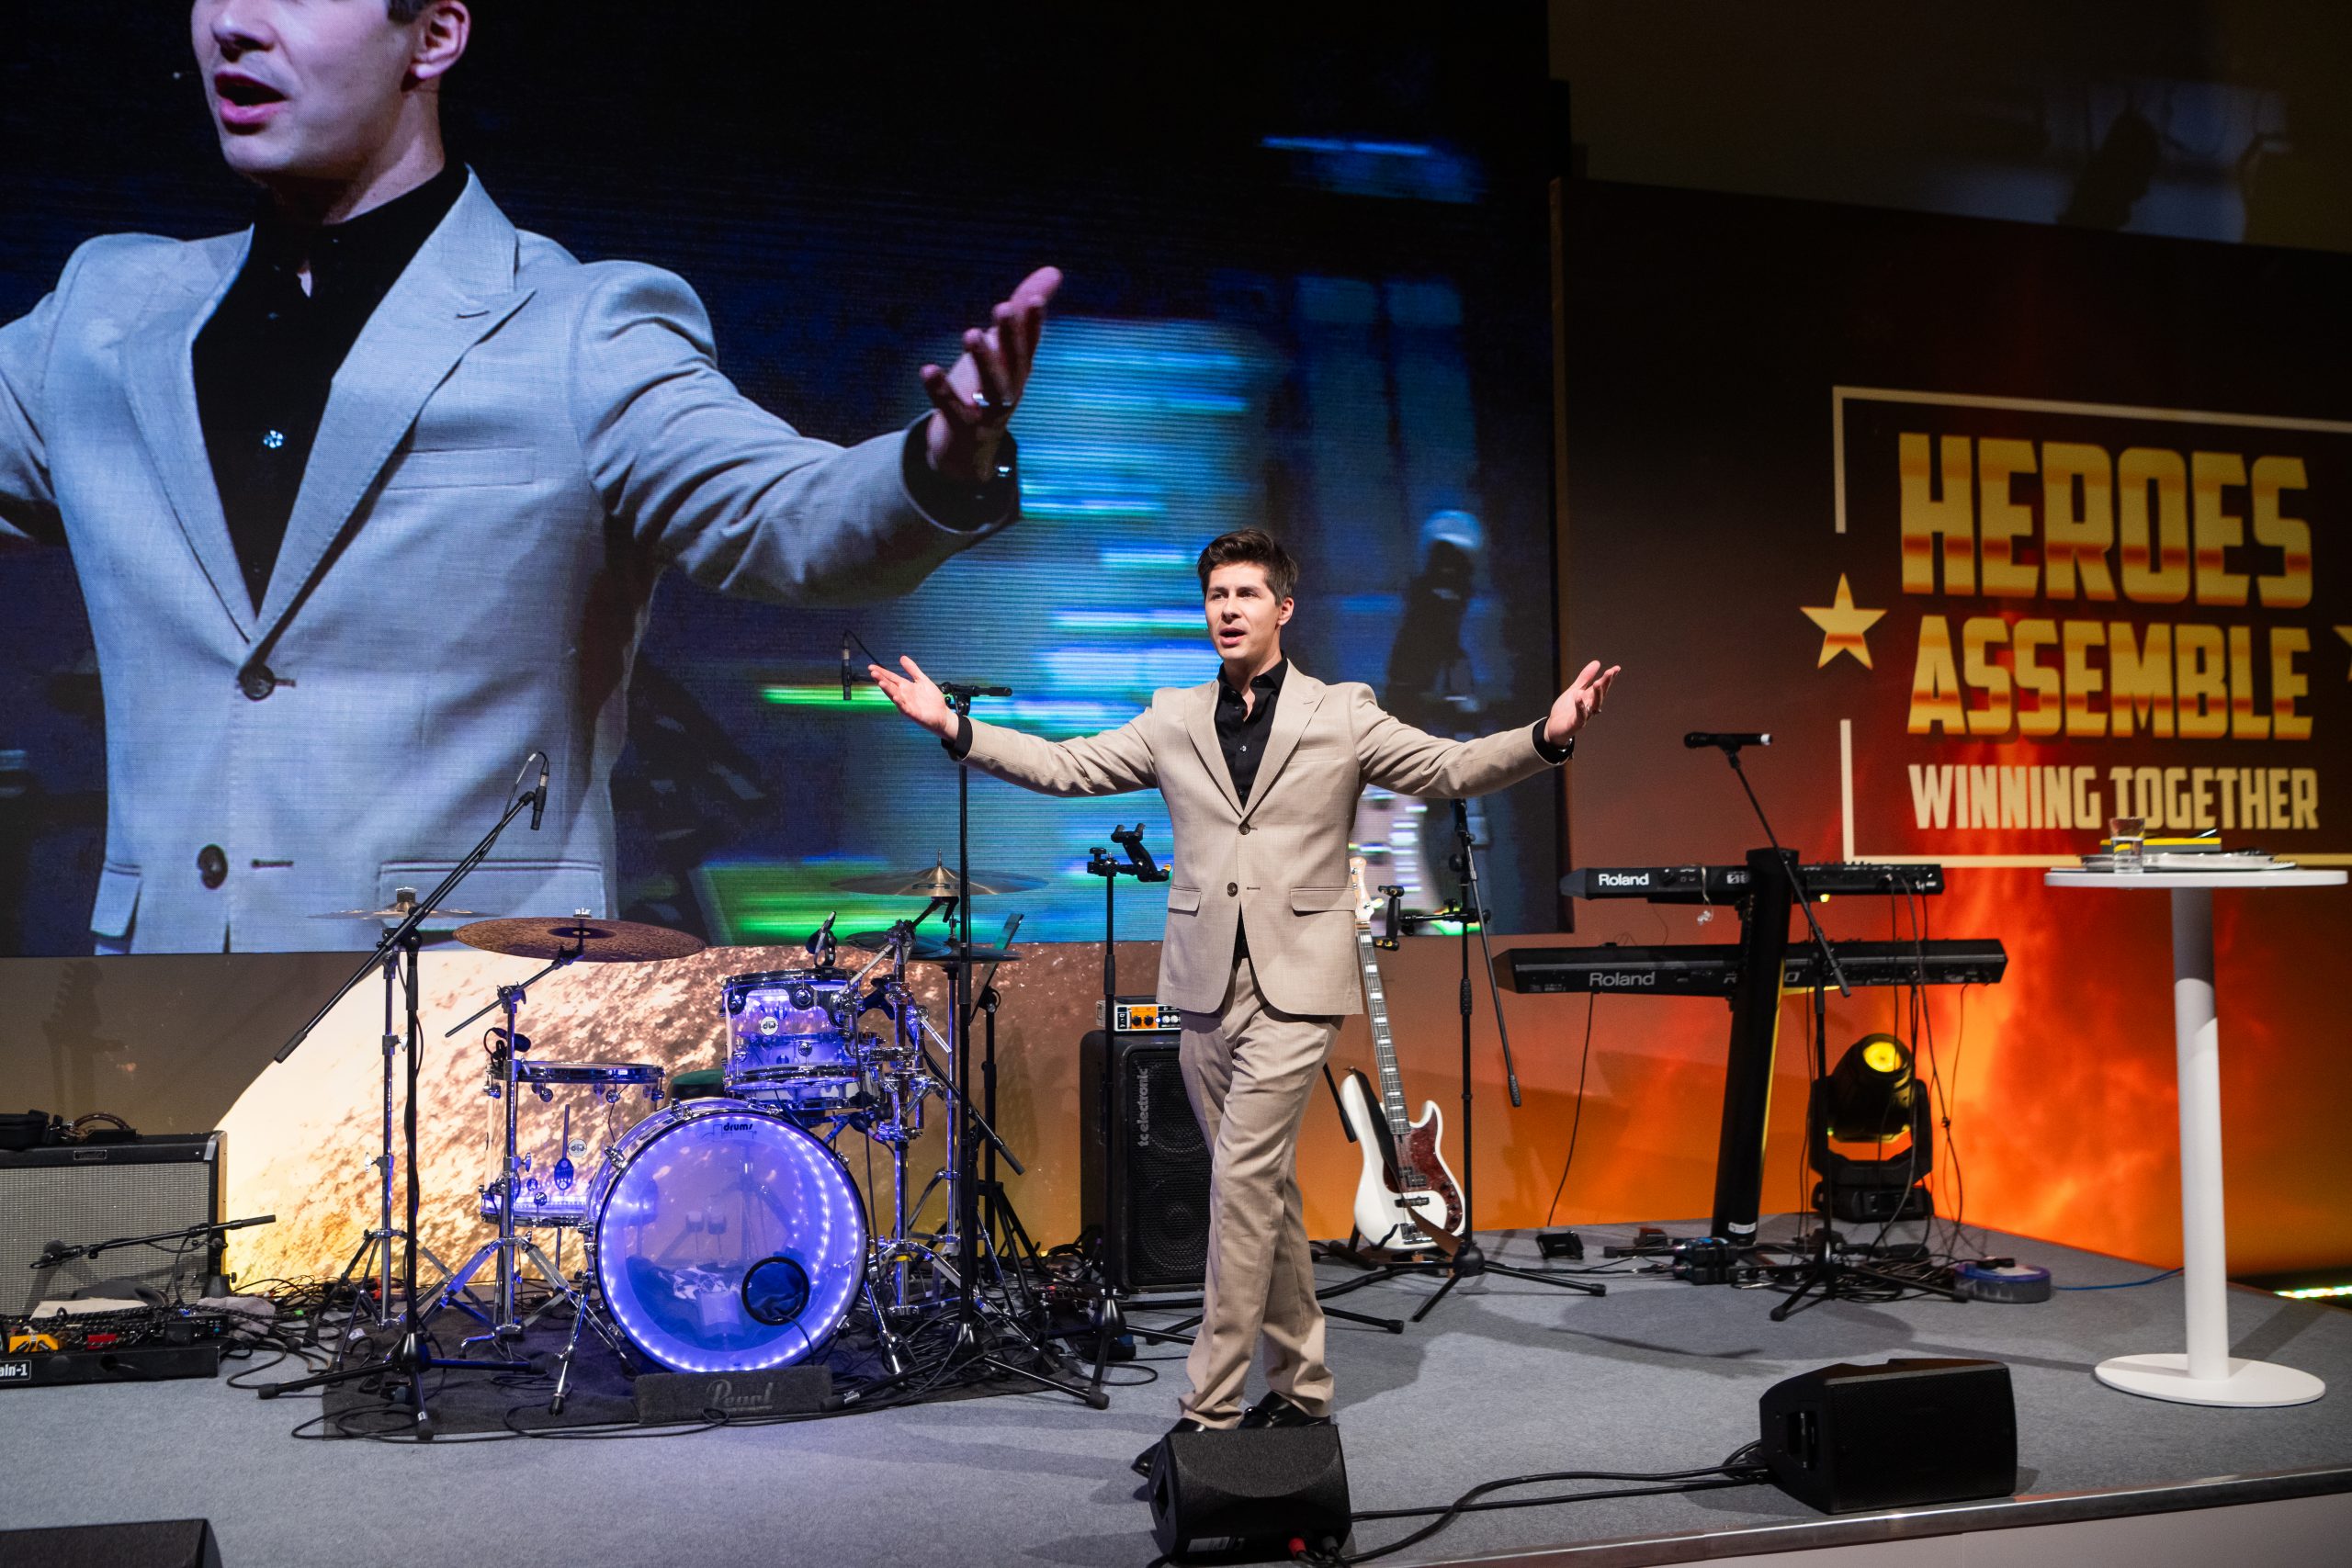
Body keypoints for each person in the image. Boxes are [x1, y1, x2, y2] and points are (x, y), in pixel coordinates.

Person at [0, 0, 1060, 953]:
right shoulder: (106, 318)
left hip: (471, 1025)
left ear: (434, 35)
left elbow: (790, 518)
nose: (232, 22)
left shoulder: (576, 331)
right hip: (158, 1017)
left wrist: (939, 461)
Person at [870, 527, 1620, 1474]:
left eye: (1245, 594)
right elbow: (1070, 767)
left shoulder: (1342, 711)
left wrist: (1547, 735)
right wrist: (955, 728)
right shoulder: (1174, 715)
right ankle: (1301, 1394)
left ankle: (1209, 1412)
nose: (1227, 609)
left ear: (1283, 607)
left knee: (1234, 1186)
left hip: (1296, 984)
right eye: (1216, 594)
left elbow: (1445, 769)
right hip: (1200, 985)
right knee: (1261, 1190)